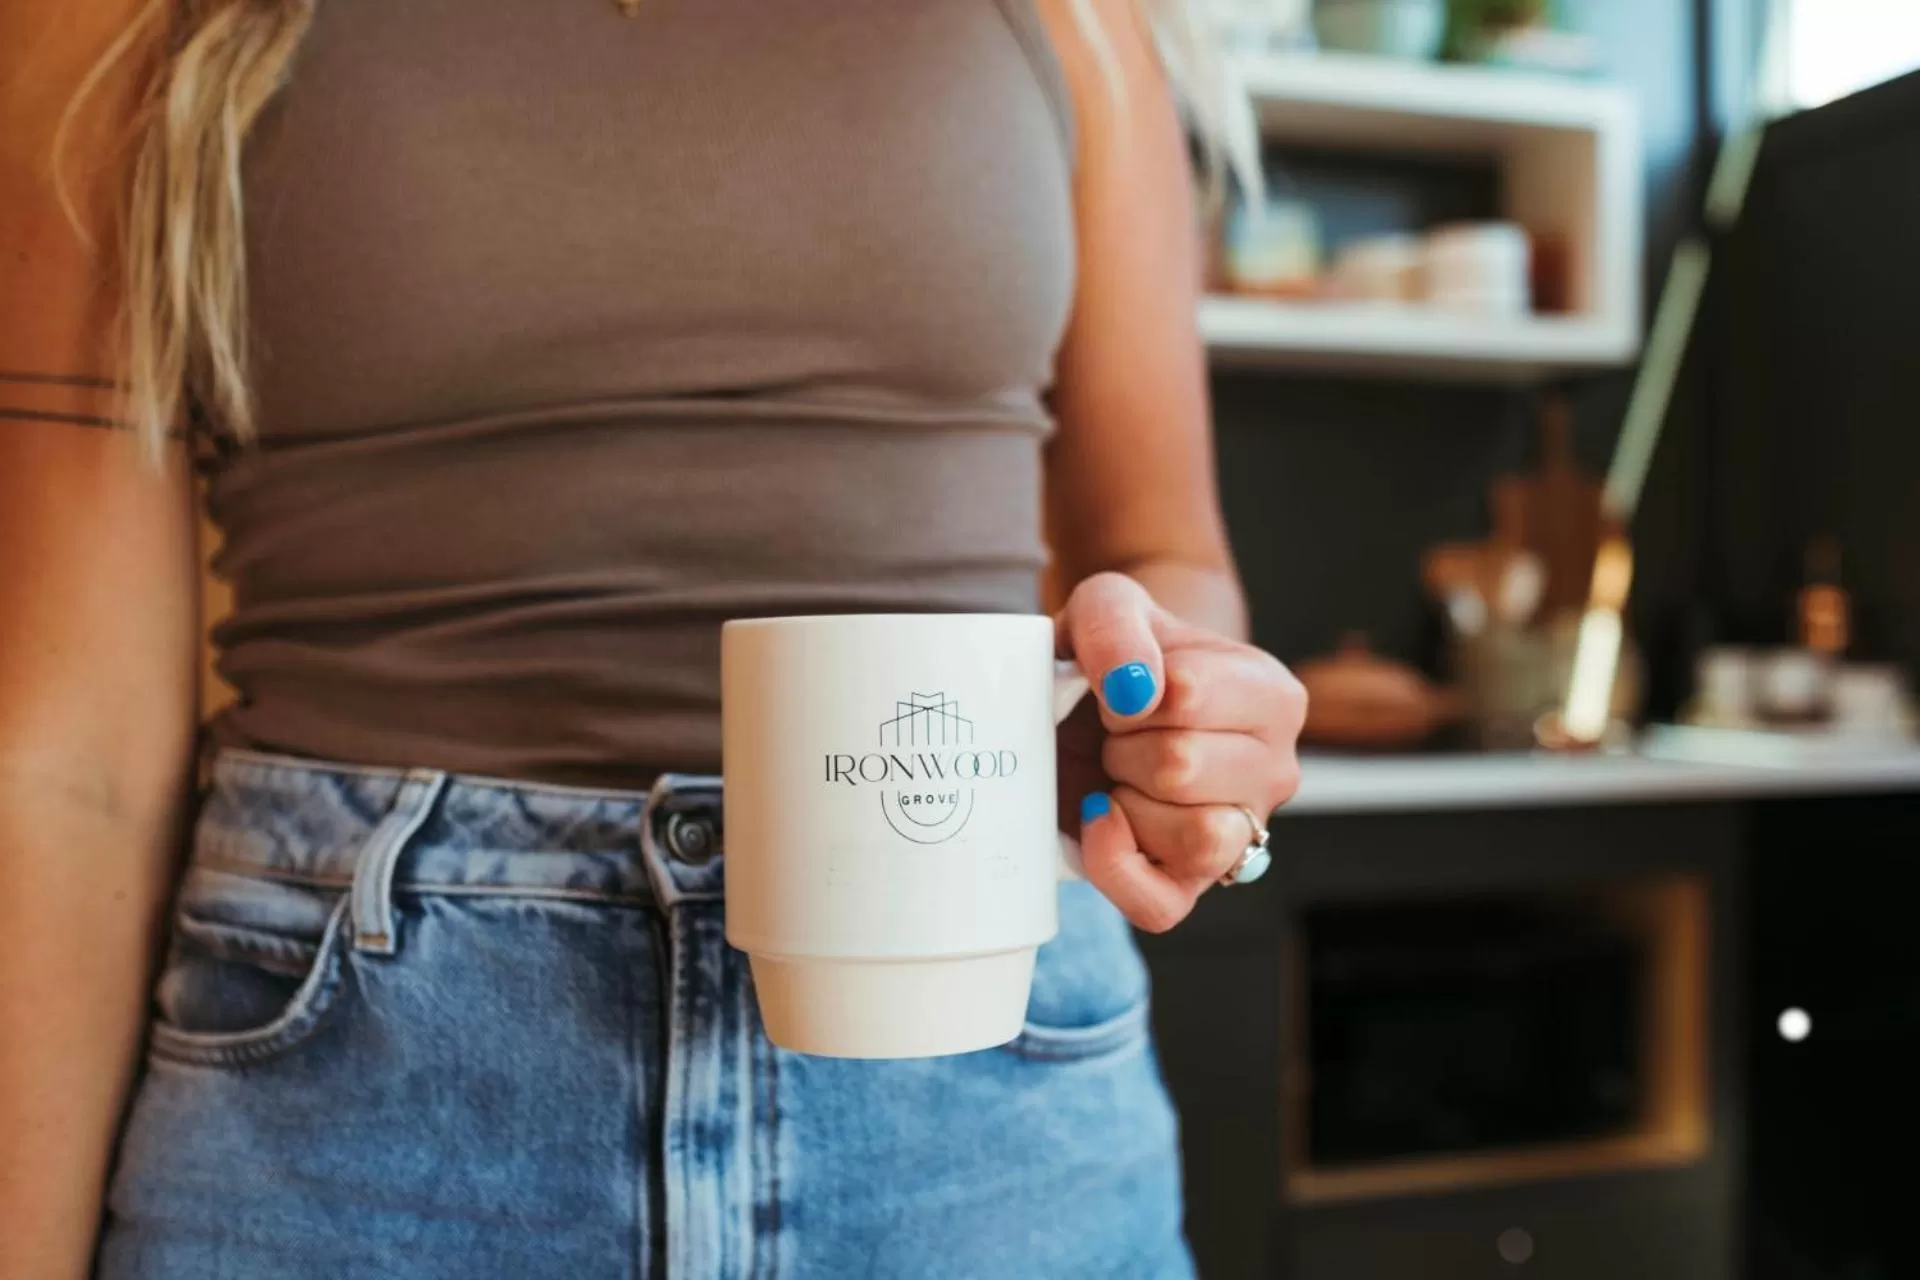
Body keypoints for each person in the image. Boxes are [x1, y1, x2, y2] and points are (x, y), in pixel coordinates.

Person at [0, 0, 1306, 1275]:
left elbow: (1163, 551)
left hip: (984, 1089)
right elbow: (71, 766)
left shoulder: (1079, 19)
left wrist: (1184, 731)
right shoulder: (135, 23)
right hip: (356, 1095)